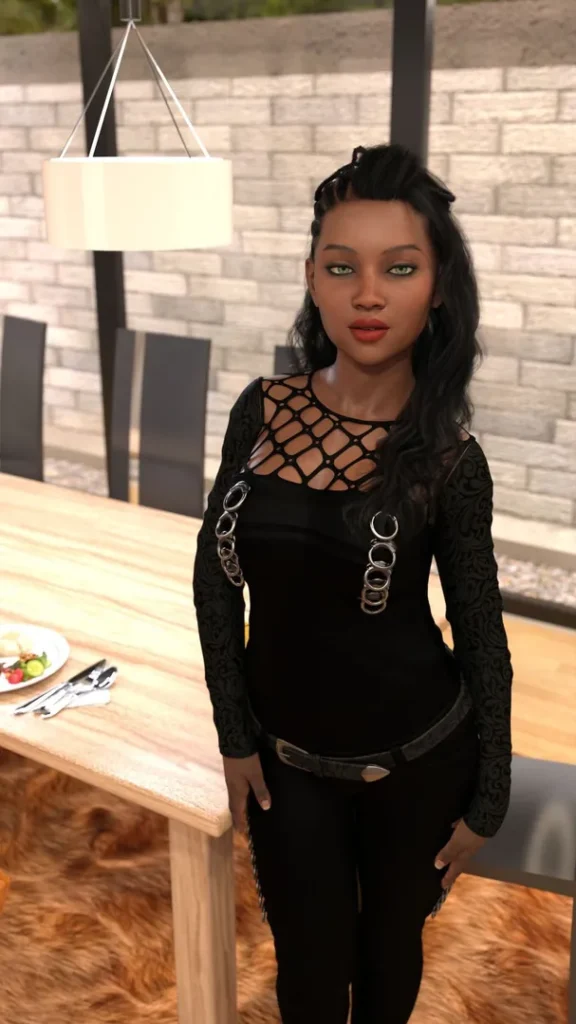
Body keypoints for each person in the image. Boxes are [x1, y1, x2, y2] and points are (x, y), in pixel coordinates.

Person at [193, 142, 513, 1024]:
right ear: (313, 278)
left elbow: (480, 631)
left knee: (387, 960)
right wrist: (233, 732)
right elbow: (214, 578)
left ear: (437, 287)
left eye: (398, 268)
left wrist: (490, 795)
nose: (368, 295)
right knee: (306, 968)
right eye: (342, 267)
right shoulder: (262, 409)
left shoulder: (451, 460)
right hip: (284, 762)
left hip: (419, 760)